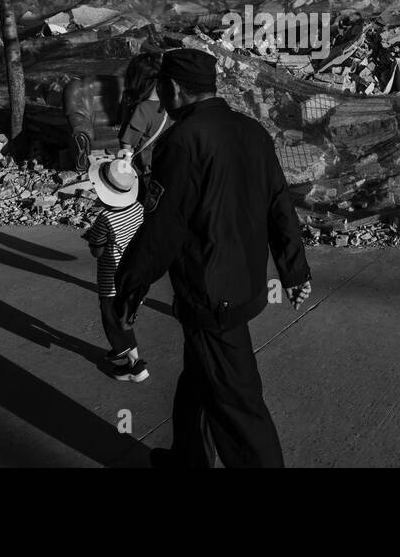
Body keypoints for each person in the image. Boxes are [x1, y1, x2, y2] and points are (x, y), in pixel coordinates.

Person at [114, 48, 312, 469]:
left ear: (174, 89)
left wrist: (131, 282)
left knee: (238, 405)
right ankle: (189, 458)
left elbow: (165, 226)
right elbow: (279, 203)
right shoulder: (251, 130)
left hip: (210, 293)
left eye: (161, 86)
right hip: (241, 283)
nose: (159, 93)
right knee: (199, 378)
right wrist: (294, 270)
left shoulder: (183, 142)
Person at [83, 154, 149, 382]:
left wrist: (92, 238)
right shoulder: (139, 208)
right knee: (125, 318)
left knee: (114, 322)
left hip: (112, 280)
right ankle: (131, 357)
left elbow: (97, 251)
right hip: (134, 275)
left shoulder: (104, 220)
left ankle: (135, 365)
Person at [117, 52, 168, 186]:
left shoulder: (142, 110)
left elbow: (126, 149)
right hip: (165, 170)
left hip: (143, 175)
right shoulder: (169, 105)